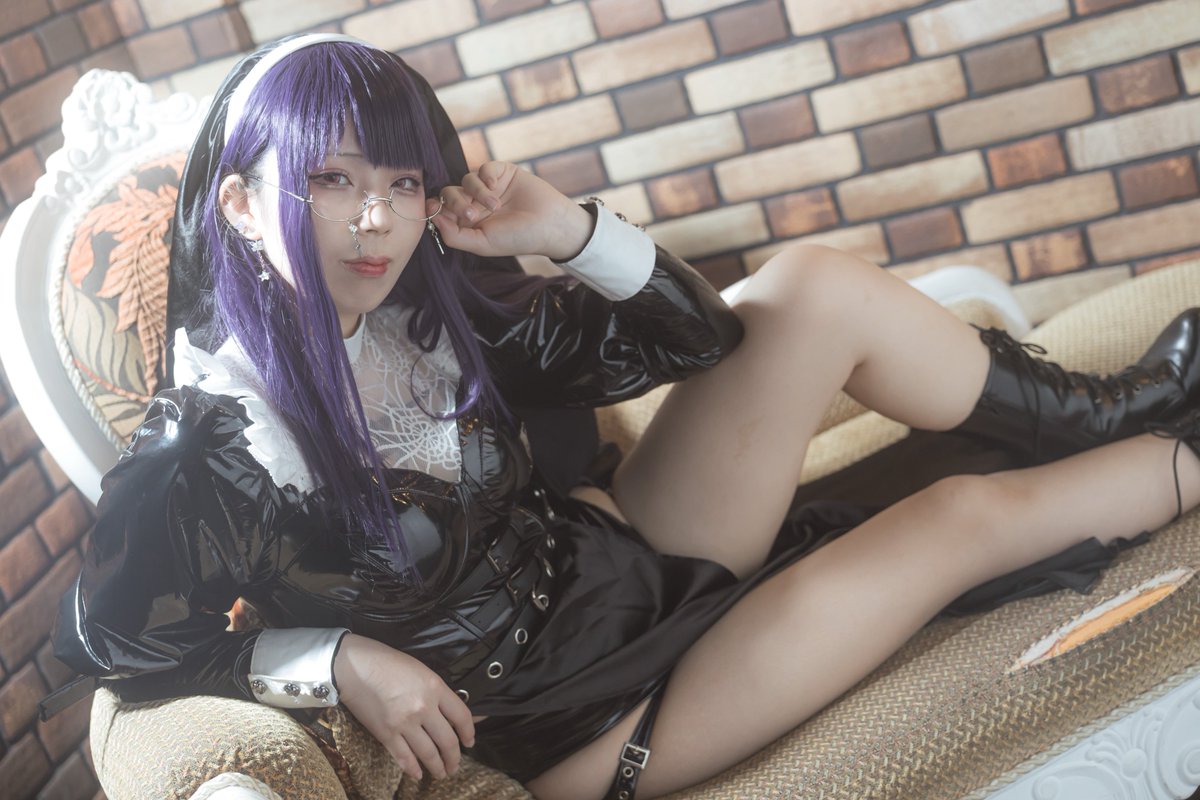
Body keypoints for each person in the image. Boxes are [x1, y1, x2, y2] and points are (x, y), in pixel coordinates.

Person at [43, 34, 1200, 800]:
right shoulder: (210, 447)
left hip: (631, 557)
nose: (375, 220)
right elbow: (110, 652)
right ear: (242, 205)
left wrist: (565, 230)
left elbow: (701, 343)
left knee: (807, 287)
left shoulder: (420, 318)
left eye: (400, 181)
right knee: (955, 518)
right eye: (331, 180)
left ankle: (1115, 408)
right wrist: (334, 658)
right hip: (593, 717)